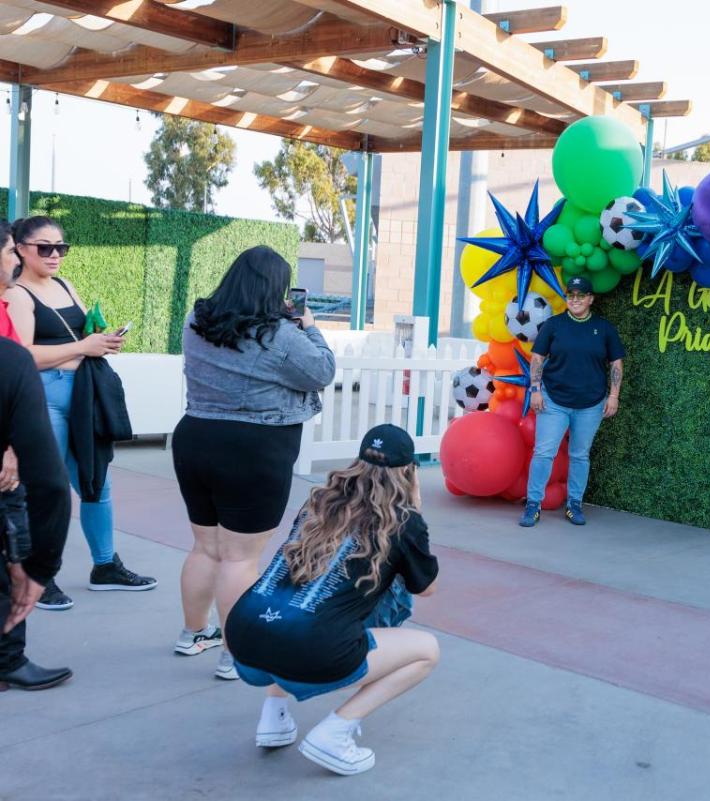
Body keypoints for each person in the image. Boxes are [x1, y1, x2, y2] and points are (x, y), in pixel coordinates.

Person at [224, 424, 439, 777]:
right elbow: (426, 587)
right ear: (408, 472)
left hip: (243, 642)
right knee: (427, 650)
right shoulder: (404, 521)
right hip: (311, 653)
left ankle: (273, 717)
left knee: (298, 603)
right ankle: (335, 732)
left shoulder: (319, 501)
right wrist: (415, 512)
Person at [172, 246, 335, 680]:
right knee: (239, 560)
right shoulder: (280, 335)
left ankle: (192, 634)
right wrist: (311, 328)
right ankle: (234, 653)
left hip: (196, 438)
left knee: (205, 547)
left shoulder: (198, 319)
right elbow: (320, 370)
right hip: (254, 448)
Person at [3, 216, 156, 612]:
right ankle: (41, 576)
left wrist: (102, 341)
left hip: (83, 395)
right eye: (45, 247)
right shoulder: (18, 295)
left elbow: (83, 334)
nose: (55, 255)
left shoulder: (65, 285)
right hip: (46, 397)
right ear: (20, 248)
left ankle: (105, 565)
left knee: (95, 482)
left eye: (61, 247)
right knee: (47, 490)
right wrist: (83, 348)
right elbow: (22, 356)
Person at [519, 275, 626, 527]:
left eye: (580, 296)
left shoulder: (604, 328)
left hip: (591, 403)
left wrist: (613, 395)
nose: (575, 300)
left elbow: (616, 363)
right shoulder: (553, 325)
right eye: (571, 296)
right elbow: (537, 359)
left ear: (590, 299)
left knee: (580, 455)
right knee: (544, 453)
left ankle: (574, 505)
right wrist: (535, 389)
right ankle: (533, 505)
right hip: (553, 400)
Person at [0, 335, 73, 690]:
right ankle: (7, 658)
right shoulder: (11, 359)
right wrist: (40, 569)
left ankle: (7, 659)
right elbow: (50, 483)